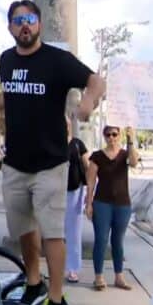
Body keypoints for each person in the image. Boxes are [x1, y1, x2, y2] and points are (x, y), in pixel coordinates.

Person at [0, 0, 105, 305]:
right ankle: (34, 282)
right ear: (10, 28)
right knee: (23, 229)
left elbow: (95, 81)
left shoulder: (57, 61)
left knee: (52, 233)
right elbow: (10, 93)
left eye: (30, 18)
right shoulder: (6, 60)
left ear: (39, 24)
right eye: (18, 20)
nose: (24, 25)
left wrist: (88, 101)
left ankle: (57, 299)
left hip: (51, 164)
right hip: (15, 163)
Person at [85, 126, 138, 291]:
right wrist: (88, 203)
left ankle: (119, 276)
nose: (111, 138)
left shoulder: (124, 155)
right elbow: (91, 181)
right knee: (101, 239)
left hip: (122, 204)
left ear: (119, 135)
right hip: (102, 203)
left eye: (115, 134)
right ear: (104, 136)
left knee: (118, 241)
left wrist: (130, 141)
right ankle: (99, 277)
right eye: (108, 135)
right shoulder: (97, 156)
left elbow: (134, 162)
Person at [64, 117, 89, 283]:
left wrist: (89, 193)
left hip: (75, 192)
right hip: (54, 193)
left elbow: (87, 166)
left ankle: (72, 269)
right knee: (54, 233)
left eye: (65, 124)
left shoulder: (77, 144)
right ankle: (58, 267)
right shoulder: (52, 144)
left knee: (73, 232)